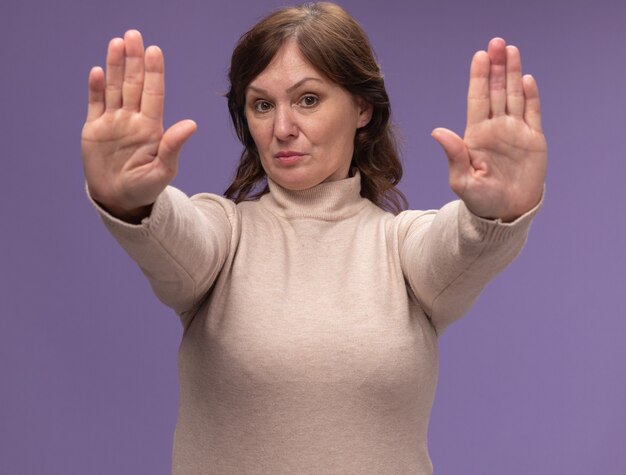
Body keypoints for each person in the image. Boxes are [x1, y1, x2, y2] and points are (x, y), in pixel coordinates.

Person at [81, 2, 546, 474]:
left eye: (307, 99)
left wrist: (494, 210)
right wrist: (135, 202)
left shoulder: (402, 249)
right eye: (263, 105)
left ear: (362, 107)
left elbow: (463, 243)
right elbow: (173, 236)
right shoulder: (223, 237)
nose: (282, 128)